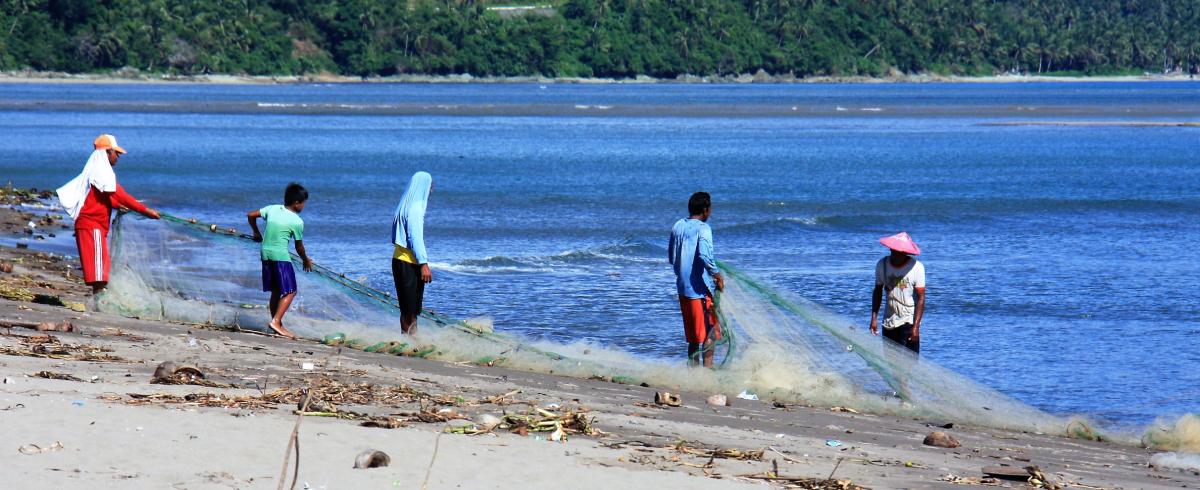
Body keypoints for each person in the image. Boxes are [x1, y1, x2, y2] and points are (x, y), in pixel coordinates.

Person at [56, 134, 161, 305]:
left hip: (92, 226)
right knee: (98, 269)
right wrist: (145, 211)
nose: (118, 156)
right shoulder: (101, 171)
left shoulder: (98, 171)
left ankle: (99, 301)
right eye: (116, 152)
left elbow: (103, 195)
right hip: (91, 225)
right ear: (107, 152)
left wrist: (116, 205)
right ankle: (100, 302)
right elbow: (118, 193)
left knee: (101, 264)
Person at [247, 183, 312, 339]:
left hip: (265, 254)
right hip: (280, 257)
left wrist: (256, 232)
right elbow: (299, 247)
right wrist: (306, 260)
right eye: (303, 202)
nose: (304, 205)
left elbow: (250, 215)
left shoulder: (272, 209)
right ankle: (276, 322)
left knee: (276, 291)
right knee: (290, 291)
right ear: (297, 203)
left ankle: (276, 324)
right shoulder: (297, 221)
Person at [668, 191, 725, 367]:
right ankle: (707, 372)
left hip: (682, 289)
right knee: (711, 333)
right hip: (698, 291)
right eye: (710, 209)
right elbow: (705, 255)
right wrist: (716, 275)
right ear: (706, 210)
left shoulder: (678, 225)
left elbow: (671, 257)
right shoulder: (703, 228)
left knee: (693, 337)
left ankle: (693, 375)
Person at [390, 171, 433, 335]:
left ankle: (408, 339)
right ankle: (410, 341)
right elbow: (415, 238)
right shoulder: (415, 209)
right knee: (410, 310)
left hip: (399, 259)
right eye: (430, 186)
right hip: (409, 263)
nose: (431, 190)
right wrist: (424, 264)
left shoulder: (404, 205)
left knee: (407, 308)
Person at [869, 232, 926, 354]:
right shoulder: (882, 265)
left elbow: (921, 298)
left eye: (900, 252)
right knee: (891, 362)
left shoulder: (917, 267)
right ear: (890, 249)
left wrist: (916, 327)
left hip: (908, 321)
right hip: (889, 320)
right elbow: (877, 291)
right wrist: (874, 319)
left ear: (905, 253)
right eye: (894, 251)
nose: (896, 254)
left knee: (910, 362)